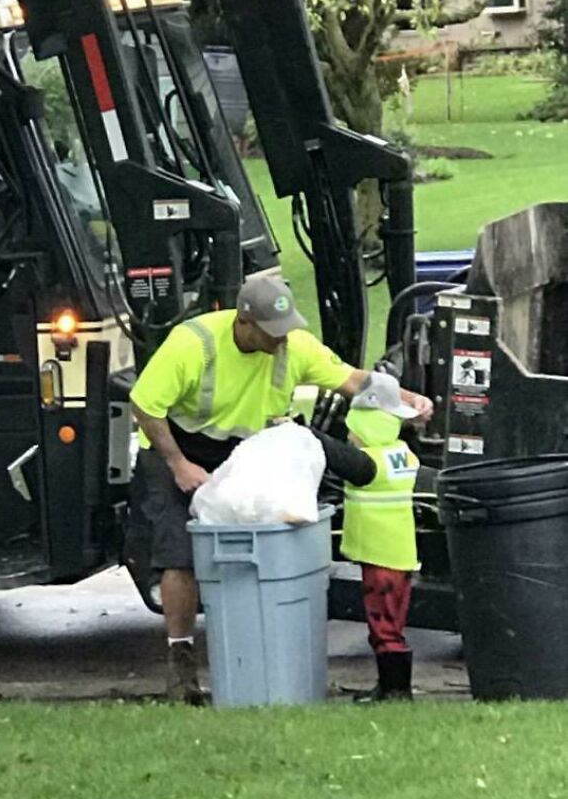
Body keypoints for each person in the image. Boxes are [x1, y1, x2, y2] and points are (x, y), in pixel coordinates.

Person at [129, 275, 433, 703]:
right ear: (244, 323)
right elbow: (145, 405)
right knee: (180, 552)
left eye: (287, 328)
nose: (283, 340)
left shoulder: (295, 346)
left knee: (265, 536)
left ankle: (255, 651)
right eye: (273, 332)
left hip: (243, 446)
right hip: (177, 445)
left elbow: (353, 381)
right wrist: (179, 465)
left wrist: (407, 400)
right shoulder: (193, 343)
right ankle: (181, 666)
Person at [340, 372, 421, 702]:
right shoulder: (402, 455)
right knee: (394, 621)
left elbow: (334, 455)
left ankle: (395, 690)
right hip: (400, 554)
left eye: (352, 428)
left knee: (383, 624)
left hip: (380, 557)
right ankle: (391, 686)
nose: (348, 435)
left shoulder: (367, 464)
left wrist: (301, 431)